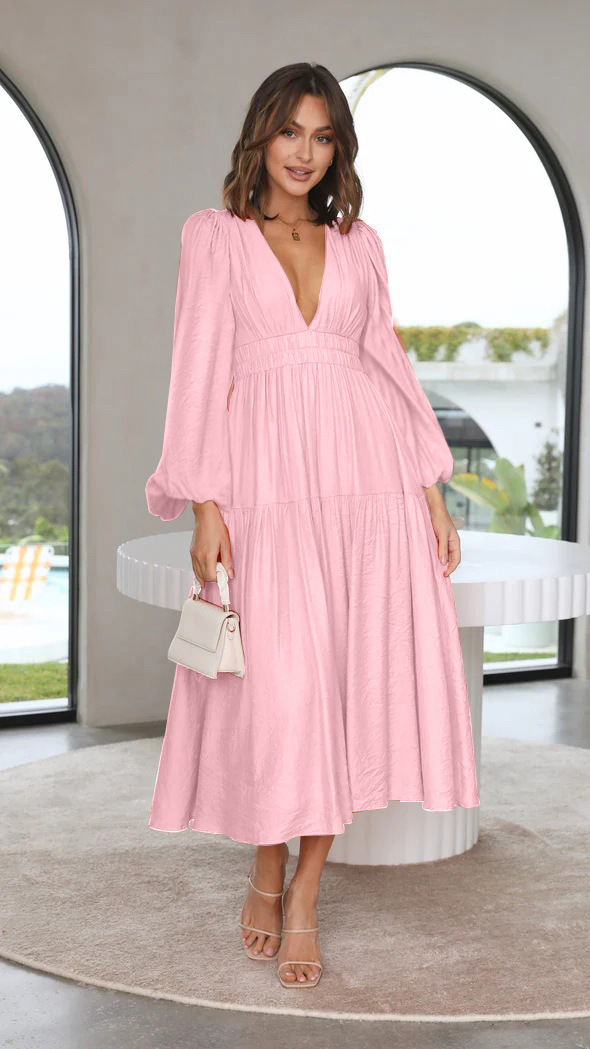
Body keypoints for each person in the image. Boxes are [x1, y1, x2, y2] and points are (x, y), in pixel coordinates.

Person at [144, 61, 480, 990]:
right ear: (261, 135)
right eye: (291, 131)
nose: (305, 152)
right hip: (264, 486)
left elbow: (389, 366)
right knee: (280, 690)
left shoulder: (359, 244)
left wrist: (430, 490)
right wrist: (204, 501)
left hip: (369, 486)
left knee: (344, 685)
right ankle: (265, 866)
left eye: (324, 136)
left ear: (340, 149)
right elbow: (196, 372)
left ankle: (304, 891)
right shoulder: (215, 237)